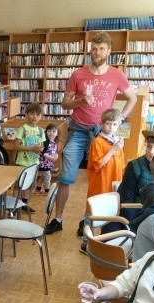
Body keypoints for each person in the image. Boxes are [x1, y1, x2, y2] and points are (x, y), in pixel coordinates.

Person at [45, 31, 137, 235]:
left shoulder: (116, 74)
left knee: (98, 179)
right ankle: (58, 219)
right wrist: (80, 101)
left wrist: (120, 118)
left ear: (108, 51)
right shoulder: (78, 74)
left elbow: (132, 98)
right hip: (78, 129)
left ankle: (87, 220)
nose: (97, 52)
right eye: (94, 48)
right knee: (65, 177)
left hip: (103, 133)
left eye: (101, 49)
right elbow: (65, 102)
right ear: (90, 50)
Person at [79, 108, 126, 252]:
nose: (111, 127)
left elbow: (121, 164)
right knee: (92, 214)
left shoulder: (118, 141)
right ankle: (86, 243)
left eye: (114, 124)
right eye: (108, 124)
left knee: (111, 214)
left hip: (113, 185)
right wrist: (113, 150)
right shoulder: (98, 142)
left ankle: (104, 241)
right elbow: (98, 164)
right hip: (100, 184)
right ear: (102, 123)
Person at [115, 124, 154, 222]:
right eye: (149, 146)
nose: (151, 152)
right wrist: (133, 229)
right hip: (138, 220)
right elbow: (126, 203)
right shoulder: (134, 167)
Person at [13, 102, 45, 213]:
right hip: (22, 162)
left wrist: (39, 149)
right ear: (26, 114)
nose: (34, 117)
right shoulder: (23, 129)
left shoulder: (41, 131)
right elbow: (16, 146)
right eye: (32, 114)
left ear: (41, 116)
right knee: (18, 185)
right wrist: (31, 148)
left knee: (28, 185)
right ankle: (14, 206)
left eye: (37, 114)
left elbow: (42, 146)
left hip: (34, 162)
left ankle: (24, 204)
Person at [35, 123, 60, 194]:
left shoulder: (55, 142)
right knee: (47, 177)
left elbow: (56, 151)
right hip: (44, 163)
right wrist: (51, 157)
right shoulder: (46, 142)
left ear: (57, 133)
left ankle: (38, 189)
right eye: (49, 131)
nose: (51, 133)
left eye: (53, 131)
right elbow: (43, 153)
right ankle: (47, 191)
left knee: (44, 176)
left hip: (49, 163)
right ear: (46, 132)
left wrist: (56, 156)